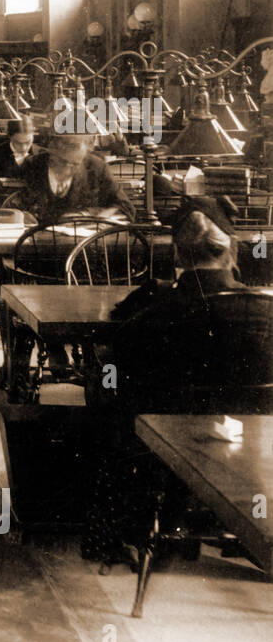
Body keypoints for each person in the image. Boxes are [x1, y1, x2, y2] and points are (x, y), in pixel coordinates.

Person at [81, 199, 273, 566]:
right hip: (256, 430)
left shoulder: (155, 311)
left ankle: (118, 528)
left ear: (178, 257)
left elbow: (120, 358)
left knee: (105, 388)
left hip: (167, 431)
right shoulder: (264, 306)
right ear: (231, 252)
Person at [4, 132, 134, 225]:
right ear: (52, 154)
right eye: (63, 161)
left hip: (88, 245)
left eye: (75, 164)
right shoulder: (34, 165)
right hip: (41, 244)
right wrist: (23, 215)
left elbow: (125, 206)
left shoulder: (96, 167)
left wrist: (95, 216)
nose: (68, 168)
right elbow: (14, 201)